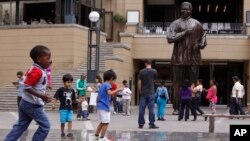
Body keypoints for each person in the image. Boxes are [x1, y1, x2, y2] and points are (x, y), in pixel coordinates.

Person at [4, 45, 53, 141]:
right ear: (39, 59)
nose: (50, 61)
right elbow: (26, 87)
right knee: (45, 126)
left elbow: (33, 84)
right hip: (32, 104)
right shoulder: (36, 71)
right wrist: (42, 96)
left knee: (20, 126)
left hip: (26, 102)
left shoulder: (38, 69)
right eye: (48, 58)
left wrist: (43, 89)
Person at [167, 1, 207, 113]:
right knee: (177, 84)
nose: (185, 11)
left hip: (194, 58)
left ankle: (192, 107)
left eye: (188, 9)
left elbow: (203, 37)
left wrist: (201, 44)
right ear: (180, 9)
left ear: (191, 10)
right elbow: (170, 38)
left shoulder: (197, 24)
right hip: (178, 58)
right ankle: (176, 107)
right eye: (183, 9)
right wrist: (184, 33)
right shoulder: (175, 23)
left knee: (193, 85)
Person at [93, 69, 122, 141]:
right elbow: (110, 93)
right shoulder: (107, 85)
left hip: (100, 106)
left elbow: (98, 96)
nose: (114, 82)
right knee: (106, 123)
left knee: (102, 123)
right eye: (114, 80)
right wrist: (118, 90)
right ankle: (102, 138)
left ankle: (96, 137)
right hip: (104, 106)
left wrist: (97, 104)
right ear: (111, 78)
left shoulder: (102, 85)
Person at [138, 59, 158, 129]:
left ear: (145, 63)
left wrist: (140, 91)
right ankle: (151, 124)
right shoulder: (154, 71)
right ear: (150, 64)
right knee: (151, 109)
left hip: (143, 92)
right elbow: (154, 81)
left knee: (141, 108)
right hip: (151, 92)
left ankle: (141, 123)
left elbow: (139, 82)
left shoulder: (141, 71)